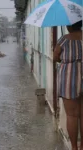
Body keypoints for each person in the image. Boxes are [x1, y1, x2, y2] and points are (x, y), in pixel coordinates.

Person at [53, 20, 82, 150]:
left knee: (72, 115)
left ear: (69, 26)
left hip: (69, 79)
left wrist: (65, 60)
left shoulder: (63, 39)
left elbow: (55, 57)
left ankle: (74, 147)